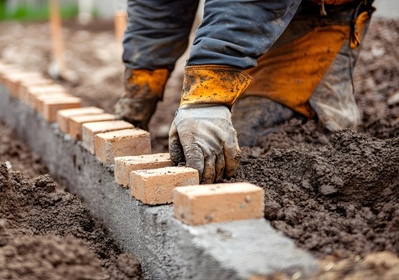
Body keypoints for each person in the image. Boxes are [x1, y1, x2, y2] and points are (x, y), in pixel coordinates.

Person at [114, 0, 375, 183]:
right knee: (240, 139)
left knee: (307, 142)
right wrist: (143, 79)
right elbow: (157, 8)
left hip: (319, 14)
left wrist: (207, 98)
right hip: (246, 12)